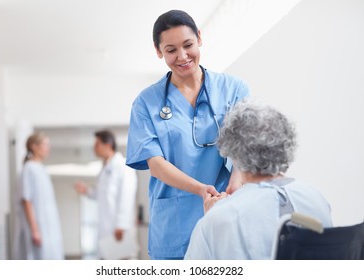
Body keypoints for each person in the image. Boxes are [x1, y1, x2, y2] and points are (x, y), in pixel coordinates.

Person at [126, 10, 249, 260]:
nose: (182, 56)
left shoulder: (234, 89)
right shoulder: (146, 103)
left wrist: (233, 191)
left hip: (222, 209)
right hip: (174, 226)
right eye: (171, 50)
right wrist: (201, 189)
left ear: (200, 38)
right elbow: (157, 165)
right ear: (158, 51)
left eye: (188, 45)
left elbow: (244, 149)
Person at [184, 100, 333, 259]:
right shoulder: (316, 198)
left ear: (233, 150)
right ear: (286, 143)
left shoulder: (221, 218)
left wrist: (213, 216)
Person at [75, 130, 138, 259]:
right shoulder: (105, 169)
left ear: (108, 145)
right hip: (106, 227)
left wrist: (121, 224)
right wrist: (86, 190)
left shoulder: (123, 166)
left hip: (118, 228)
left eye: (97, 144)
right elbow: (101, 194)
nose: (94, 148)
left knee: (120, 264)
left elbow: (126, 197)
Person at [14, 132, 64, 260]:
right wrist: (35, 229)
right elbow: (26, 200)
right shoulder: (29, 169)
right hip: (39, 226)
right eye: (45, 144)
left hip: (49, 225)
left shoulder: (41, 168)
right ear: (34, 146)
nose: (48, 148)